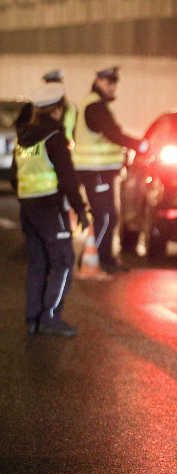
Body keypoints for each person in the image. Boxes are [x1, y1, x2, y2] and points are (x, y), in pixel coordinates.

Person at [10, 84, 90, 337]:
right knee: (64, 262)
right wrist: (80, 209)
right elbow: (67, 179)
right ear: (57, 110)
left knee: (38, 263)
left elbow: (14, 176)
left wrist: (26, 200)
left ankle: (33, 318)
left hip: (29, 209)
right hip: (50, 208)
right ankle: (50, 317)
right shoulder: (54, 137)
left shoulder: (24, 139)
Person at [73, 66, 144, 274]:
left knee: (105, 215)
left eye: (115, 83)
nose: (113, 88)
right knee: (105, 216)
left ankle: (101, 258)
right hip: (95, 171)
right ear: (99, 82)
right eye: (110, 83)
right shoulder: (95, 107)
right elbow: (113, 134)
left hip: (98, 171)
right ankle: (99, 260)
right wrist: (140, 145)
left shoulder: (95, 105)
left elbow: (112, 134)